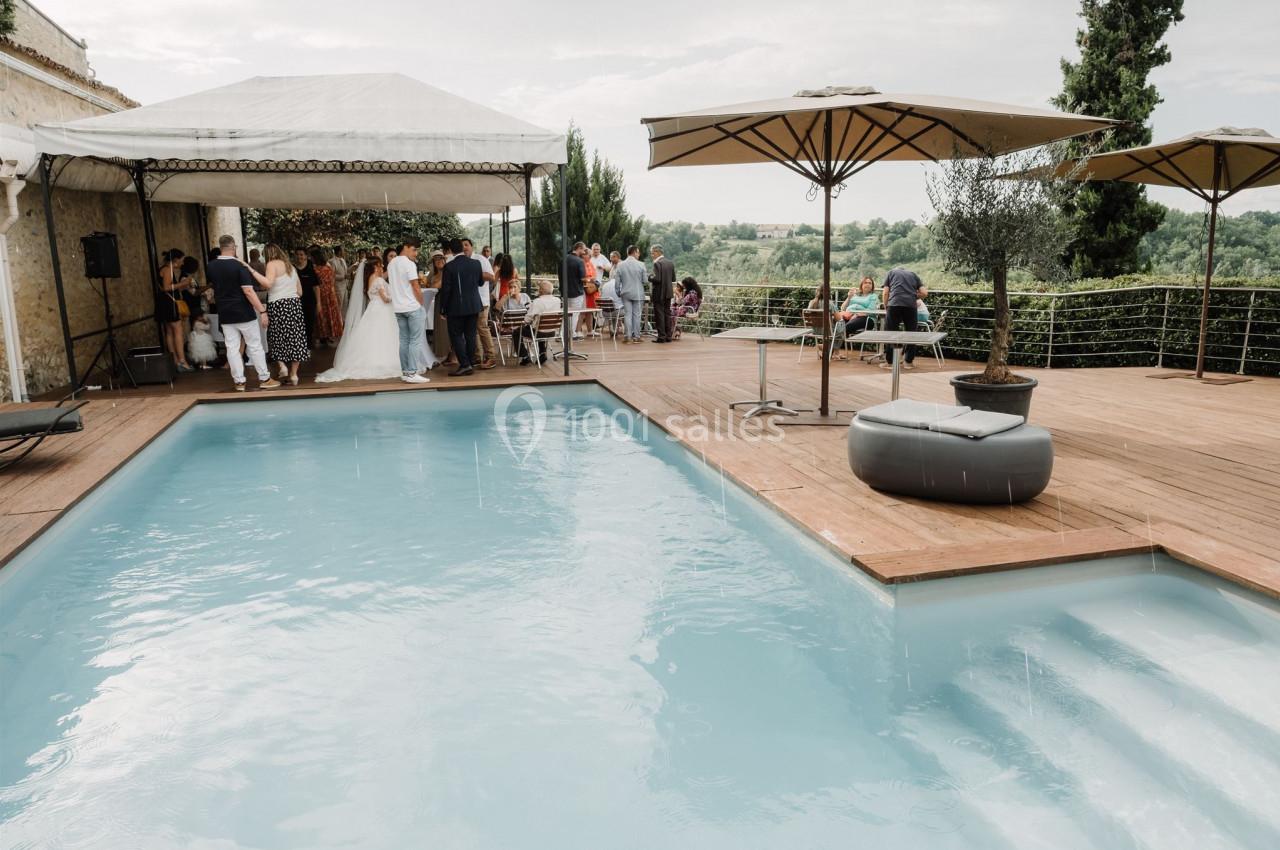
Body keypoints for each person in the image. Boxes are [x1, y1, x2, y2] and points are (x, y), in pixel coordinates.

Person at [208, 235, 279, 391]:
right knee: (254, 345)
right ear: (234, 247)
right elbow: (248, 291)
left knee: (232, 347)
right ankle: (264, 378)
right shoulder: (240, 266)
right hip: (243, 312)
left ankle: (239, 382)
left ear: (221, 247)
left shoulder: (211, 266)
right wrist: (262, 310)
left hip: (225, 313)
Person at [315, 258, 405, 382]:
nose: (382, 267)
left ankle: (372, 361)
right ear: (375, 267)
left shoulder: (370, 279)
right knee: (384, 336)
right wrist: (396, 296)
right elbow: (385, 299)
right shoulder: (378, 280)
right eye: (380, 265)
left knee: (372, 337)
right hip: (381, 310)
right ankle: (384, 362)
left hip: (373, 309)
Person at [242, 243, 310, 385]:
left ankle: (282, 366)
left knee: (276, 336)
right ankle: (294, 375)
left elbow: (267, 284)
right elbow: (300, 292)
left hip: (278, 305)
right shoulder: (291, 266)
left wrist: (251, 270)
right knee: (295, 338)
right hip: (294, 304)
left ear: (268, 254)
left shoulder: (272, 264)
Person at [439, 237, 484, 376]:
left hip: (456, 308)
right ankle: (469, 363)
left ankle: (464, 365)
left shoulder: (449, 267)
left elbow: (446, 290)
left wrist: (443, 309)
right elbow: (481, 283)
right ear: (462, 248)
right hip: (474, 305)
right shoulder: (476, 263)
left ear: (451, 250)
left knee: (456, 336)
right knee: (470, 335)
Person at [387, 238, 430, 384]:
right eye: (414, 249)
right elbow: (415, 286)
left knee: (404, 340)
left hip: (398, 308)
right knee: (415, 341)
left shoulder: (391, 263)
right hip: (412, 307)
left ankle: (406, 372)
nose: (416, 253)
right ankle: (412, 373)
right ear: (405, 247)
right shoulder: (409, 264)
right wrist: (421, 303)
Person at [157, 248, 194, 372]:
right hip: (170, 304)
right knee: (178, 331)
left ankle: (175, 361)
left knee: (169, 332)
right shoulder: (168, 270)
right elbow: (167, 287)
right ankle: (182, 361)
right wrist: (183, 284)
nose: (183, 263)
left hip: (165, 303)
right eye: (182, 260)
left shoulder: (163, 269)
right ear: (176, 260)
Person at [881, 266, 926, 369]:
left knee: (891, 333)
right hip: (910, 306)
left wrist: (886, 305)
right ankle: (908, 362)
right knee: (911, 333)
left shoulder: (891, 272)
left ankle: (890, 363)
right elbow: (924, 293)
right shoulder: (913, 274)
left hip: (894, 304)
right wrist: (913, 296)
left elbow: (886, 292)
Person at [462, 238, 496, 369]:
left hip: (482, 300)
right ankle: (477, 357)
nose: (464, 247)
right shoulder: (462, 261)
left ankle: (491, 357)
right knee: (472, 330)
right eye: (462, 246)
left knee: (482, 328)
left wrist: (474, 273)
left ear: (471, 246)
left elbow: (492, 277)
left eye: (466, 245)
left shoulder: (481, 259)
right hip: (469, 301)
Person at [515, 279, 561, 365]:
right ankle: (542, 353)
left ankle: (525, 356)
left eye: (539, 288)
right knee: (539, 326)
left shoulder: (537, 302)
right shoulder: (557, 300)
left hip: (539, 332)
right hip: (552, 332)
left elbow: (527, 319)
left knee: (517, 331)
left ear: (541, 290)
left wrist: (522, 322)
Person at [425, 250, 454, 367]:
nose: (439, 261)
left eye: (441, 259)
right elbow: (429, 286)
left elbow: (436, 286)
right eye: (436, 259)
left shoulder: (449, 272)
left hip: (448, 302)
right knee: (440, 328)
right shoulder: (432, 274)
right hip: (438, 302)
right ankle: (444, 354)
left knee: (448, 328)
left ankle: (452, 355)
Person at [613, 245, 647, 344]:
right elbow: (645, 281)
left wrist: (618, 292)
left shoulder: (620, 265)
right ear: (635, 252)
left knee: (628, 315)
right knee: (637, 315)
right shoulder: (641, 264)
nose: (639, 254)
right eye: (638, 252)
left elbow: (617, 282)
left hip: (625, 293)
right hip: (638, 293)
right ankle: (637, 336)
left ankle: (627, 337)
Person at [311, 248, 345, 346]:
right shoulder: (328, 267)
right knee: (329, 314)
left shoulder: (315, 269)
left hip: (321, 293)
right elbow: (333, 280)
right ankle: (328, 335)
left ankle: (323, 336)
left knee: (322, 315)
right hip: (330, 292)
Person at [294, 247, 321, 348]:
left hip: (310, 300)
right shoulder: (292, 269)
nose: (299, 256)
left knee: (309, 322)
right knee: (297, 323)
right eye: (297, 254)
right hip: (296, 300)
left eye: (301, 254)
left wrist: (318, 303)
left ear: (306, 256)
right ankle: (299, 345)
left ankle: (308, 344)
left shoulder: (311, 269)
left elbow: (316, 287)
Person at [648, 244, 675, 343]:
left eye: (652, 253)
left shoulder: (657, 264)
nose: (652, 255)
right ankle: (668, 336)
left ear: (657, 252)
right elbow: (673, 279)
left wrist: (649, 277)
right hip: (668, 293)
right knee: (667, 314)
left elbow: (657, 279)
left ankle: (661, 337)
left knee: (659, 315)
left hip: (659, 293)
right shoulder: (670, 263)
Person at [564, 241, 587, 342]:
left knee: (566, 315)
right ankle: (572, 334)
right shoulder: (579, 261)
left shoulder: (563, 259)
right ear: (579, 248)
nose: (585, 252)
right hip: (576, 292)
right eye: (584, 249)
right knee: (575, 314)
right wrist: (591, 280)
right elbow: (583, 278)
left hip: (564, 292)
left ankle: (562, 335)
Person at [330, 246, 349, 312]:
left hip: (345, 286)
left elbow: (345, 271)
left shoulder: (343, 260)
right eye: (343, 250)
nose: (344, 252)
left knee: (345, 305)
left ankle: (343, 321)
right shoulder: (332, 261)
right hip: (338, 287)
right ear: (339, 251)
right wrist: (343, 277)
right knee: (338, 306)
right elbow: (331, 275)